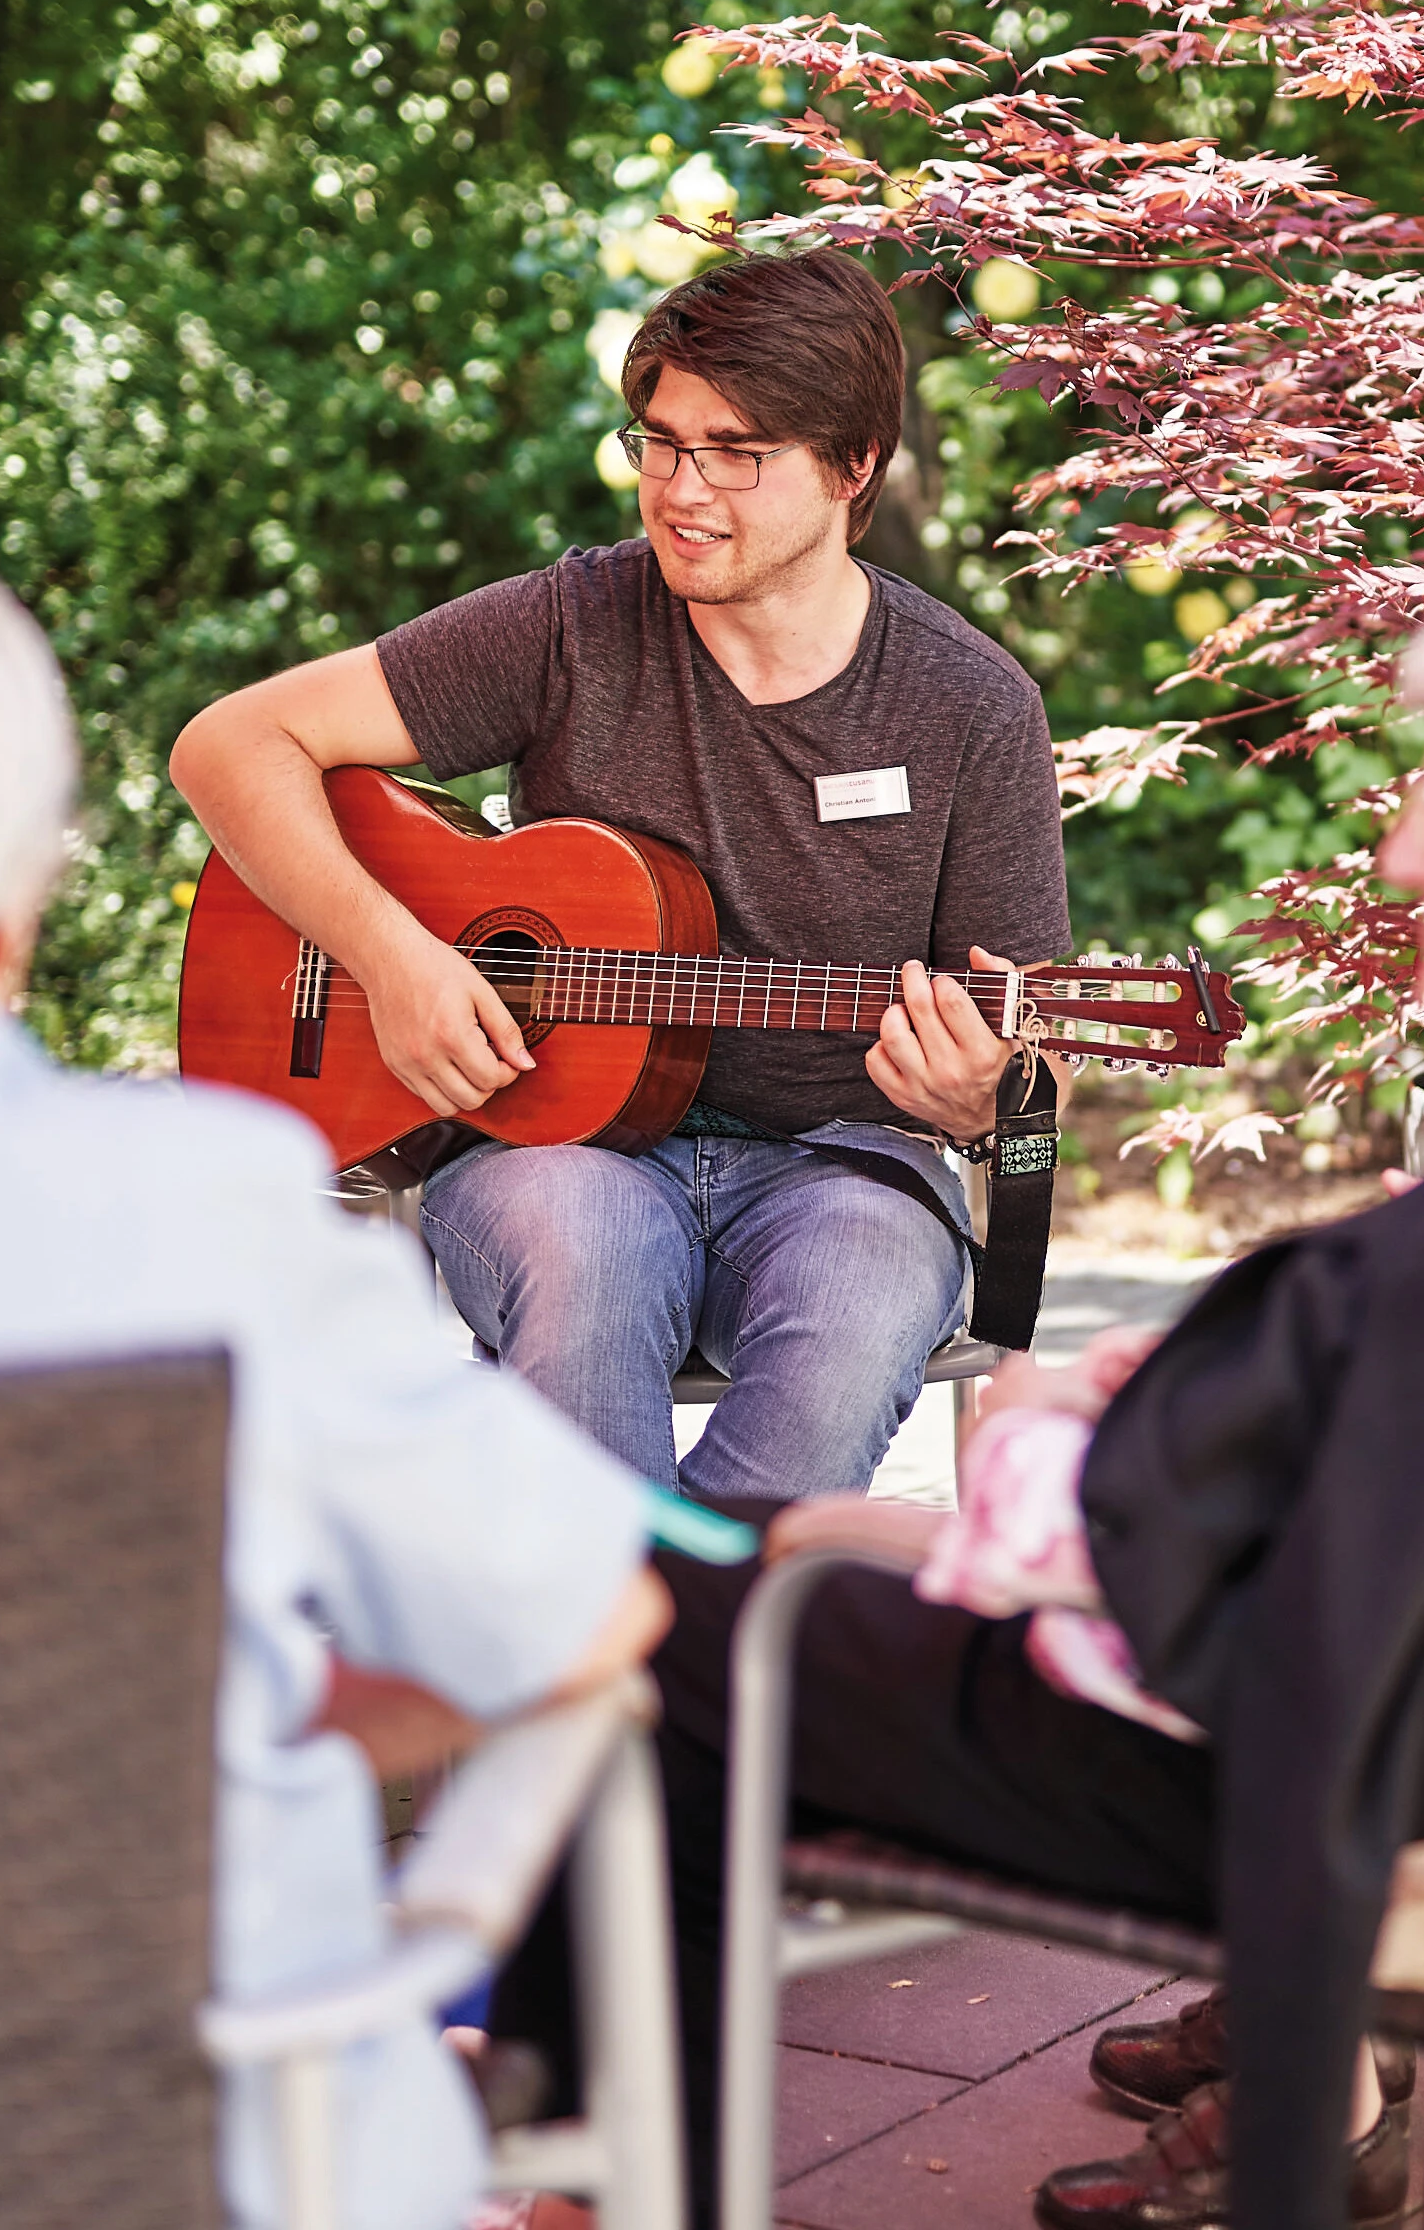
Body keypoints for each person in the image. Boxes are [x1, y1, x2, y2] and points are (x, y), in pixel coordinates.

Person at [486, 571, 1424, 2230]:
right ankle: (587, 2140)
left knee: (659, 1608)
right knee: (734, 1557)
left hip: (1328, 1777)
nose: (1400, 855)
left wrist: (1021, 1465)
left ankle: (590, 2167)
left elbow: (1225, 1615)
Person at [0, 542, 669, 2230]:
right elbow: (587, 1618)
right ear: (15, 894)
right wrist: (232, 1705)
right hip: (232, 2142)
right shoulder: (202, 1210)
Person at [171, 248, 1072, 1498]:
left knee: (859, 1300)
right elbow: (228, 745)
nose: (680, 490)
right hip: (556, 1148)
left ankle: (654, 1606)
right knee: (584, 1260)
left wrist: (986, 1098)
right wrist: (396, 960)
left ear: (854, 464)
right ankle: (630, 1607)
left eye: (734, 452)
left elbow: (1032, 1059)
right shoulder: (569, 624)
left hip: (845, 1167)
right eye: (660, 441)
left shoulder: (970, 704)